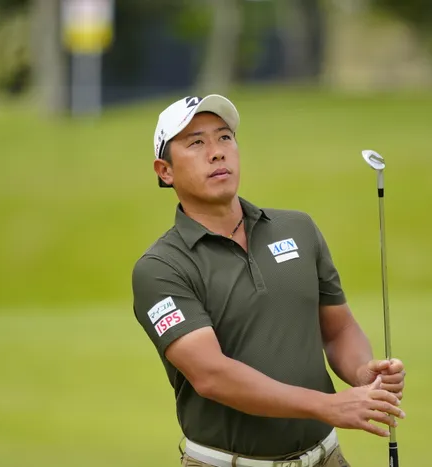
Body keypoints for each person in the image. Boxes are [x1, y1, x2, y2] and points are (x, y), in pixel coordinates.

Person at [131, 94, 407, 467]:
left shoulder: (298, 228)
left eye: (225, 137)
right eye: (196, 143)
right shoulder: (161, 267)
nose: (217, 152)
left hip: (326, 458)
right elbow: (211, 375)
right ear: (165, 171)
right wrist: (326, 405)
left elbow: (338, 330)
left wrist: (361, 372)